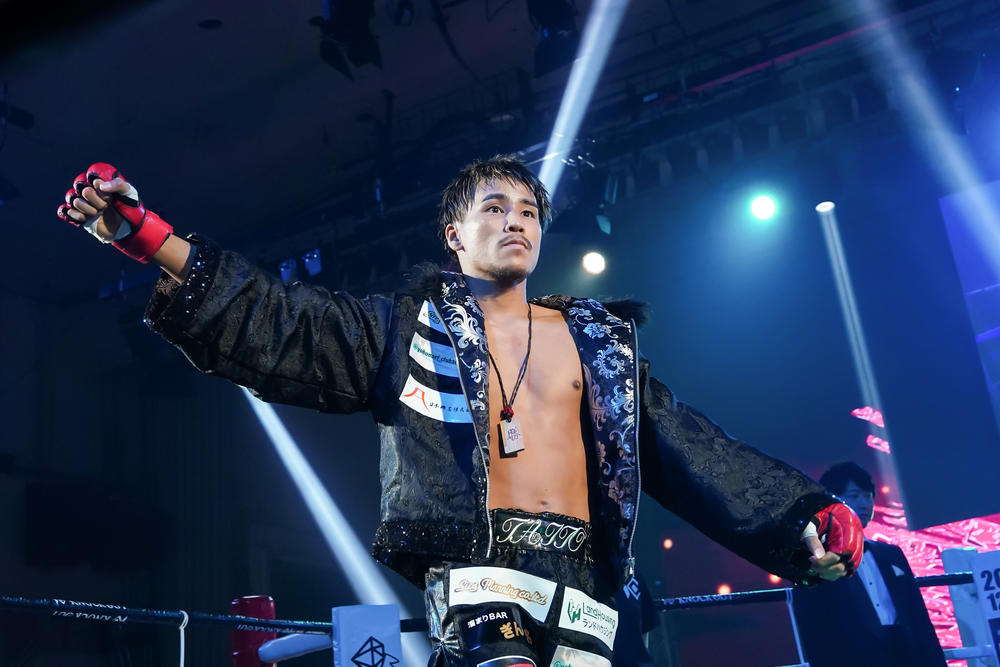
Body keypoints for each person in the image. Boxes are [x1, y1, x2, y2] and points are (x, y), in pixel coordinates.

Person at [57, 157, 863, 667]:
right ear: (454, 233)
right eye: (494, 208)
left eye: (529, 211)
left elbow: (687, 445)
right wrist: (146, 236)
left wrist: (800, 513)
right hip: (482, 572)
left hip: (593, 581)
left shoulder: (600, 346)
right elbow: (285, 321)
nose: (516, 220)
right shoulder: (408, 330)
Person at [792, 462, 947, 667]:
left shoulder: (891, 554)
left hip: (907, 653)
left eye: (868, 496)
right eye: (855, 496)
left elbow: (919, 617)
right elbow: (814, 630)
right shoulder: (814, 560)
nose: (865, 504)